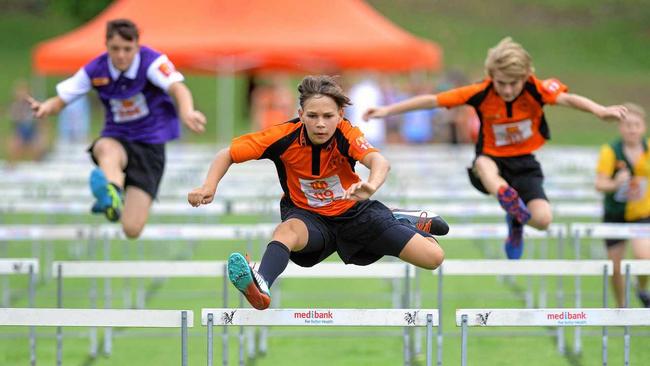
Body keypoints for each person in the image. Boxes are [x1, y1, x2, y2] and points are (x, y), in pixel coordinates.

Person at [188, 75, 447, 310]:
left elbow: (380, 162)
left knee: (433, 258)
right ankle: (261, 283)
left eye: (328, 116)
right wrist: (208, 186)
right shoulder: (282, 136)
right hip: (308, 217)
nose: (320, 124)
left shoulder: (347, 133)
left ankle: (398, 219)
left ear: (340, 115)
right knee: (285, 231)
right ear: (300, 114)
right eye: (312, 116)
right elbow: (228, 154)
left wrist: (371, 185)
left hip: (355, 214)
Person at [364, 37, 627, 259]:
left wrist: (600, 110)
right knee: (483, 164)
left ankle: (515, 218)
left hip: (524, 164)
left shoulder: (537, 89)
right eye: (502, 83)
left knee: (544, 220)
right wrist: (388, 110)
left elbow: (568, 98)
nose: (508, 89)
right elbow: (433, 100)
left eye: (515, 83)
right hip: (491, 162)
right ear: (492, 77)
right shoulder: (481, 91)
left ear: (526, 76)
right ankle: (505, 195)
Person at [29, 19, 206, 238]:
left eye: (127, 49)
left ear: (137, 46)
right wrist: (45, 107)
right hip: (117, 138)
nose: (121, 55)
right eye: (115, 49)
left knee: (131, 229)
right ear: (106, 46)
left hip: (150, 146)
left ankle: (113, 201)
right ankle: (111, 192)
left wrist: (187, 111)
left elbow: (178, 88)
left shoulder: (152, 62)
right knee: (104, 147)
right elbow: (63, 99)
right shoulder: (96, 69)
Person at [595, 103, 650, 308]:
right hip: (615, 213)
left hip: (642, 213)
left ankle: (642, 288)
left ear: (643, 127)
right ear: (620, 127)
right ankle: (621, 306)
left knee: (645, 258)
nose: (632, 129)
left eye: (636, 125)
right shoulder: (610, 151)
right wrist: (616, 183)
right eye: (627, 125)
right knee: (615, 267)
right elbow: (599, 184)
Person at [6, 79, 48, 166]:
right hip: (20, 132)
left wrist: (43, 133)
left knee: (38, 143)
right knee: (13, 143)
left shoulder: (34, 105)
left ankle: (38, 164)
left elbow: (41, 121)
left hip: (33, 132)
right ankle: (12, 166)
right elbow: (14, 125)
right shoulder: (15, 106)